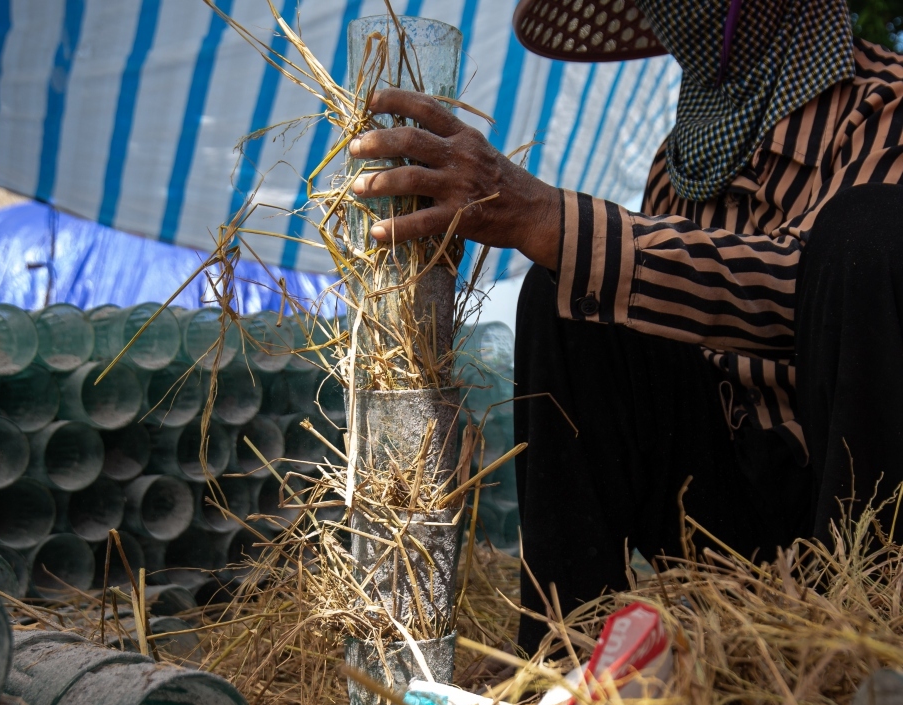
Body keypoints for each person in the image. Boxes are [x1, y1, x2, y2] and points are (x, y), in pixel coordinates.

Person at [348, 0, 903, 654]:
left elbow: (798, 290)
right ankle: (563, 667)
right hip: (731, 512)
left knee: (869, 234)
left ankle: (864, 655)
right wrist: (558, 245)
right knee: (565, 294)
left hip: (857, 501)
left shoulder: (884, 105)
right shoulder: (683, 158)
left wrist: (553, 219)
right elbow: (651, 324)